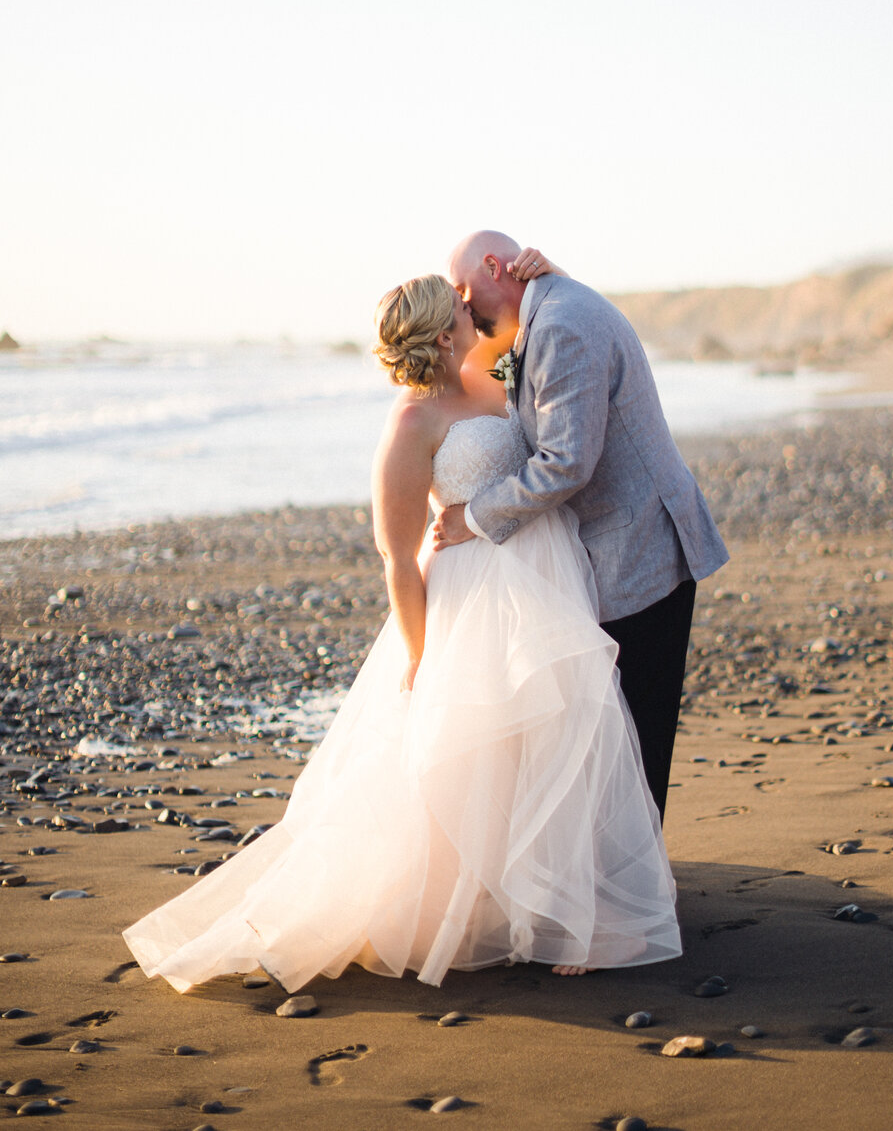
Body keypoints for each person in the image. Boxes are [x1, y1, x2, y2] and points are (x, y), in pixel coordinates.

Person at [122, 265, 681, 993]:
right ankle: (491, 903)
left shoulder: (490, 371)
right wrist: (420, 655)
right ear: (443, 327)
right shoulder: (412, 422)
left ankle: (566, 908)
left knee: (559, 739)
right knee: (477, 750)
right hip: (471, 594)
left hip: (545, 572)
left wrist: (547, 270)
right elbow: (397, 558)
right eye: (459, 303)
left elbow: (546, 335)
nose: (470, 303)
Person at [435, 231, 729, 819]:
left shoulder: (562, 325)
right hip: (628, 540)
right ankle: (627, 877)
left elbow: (566, 463)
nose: (465, 308)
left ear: (496, 267)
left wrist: (473, 516)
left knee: (634, 731)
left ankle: (635, 895)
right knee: (618, 728)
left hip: (639, 546)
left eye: (467, 292)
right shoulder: (554, 308)